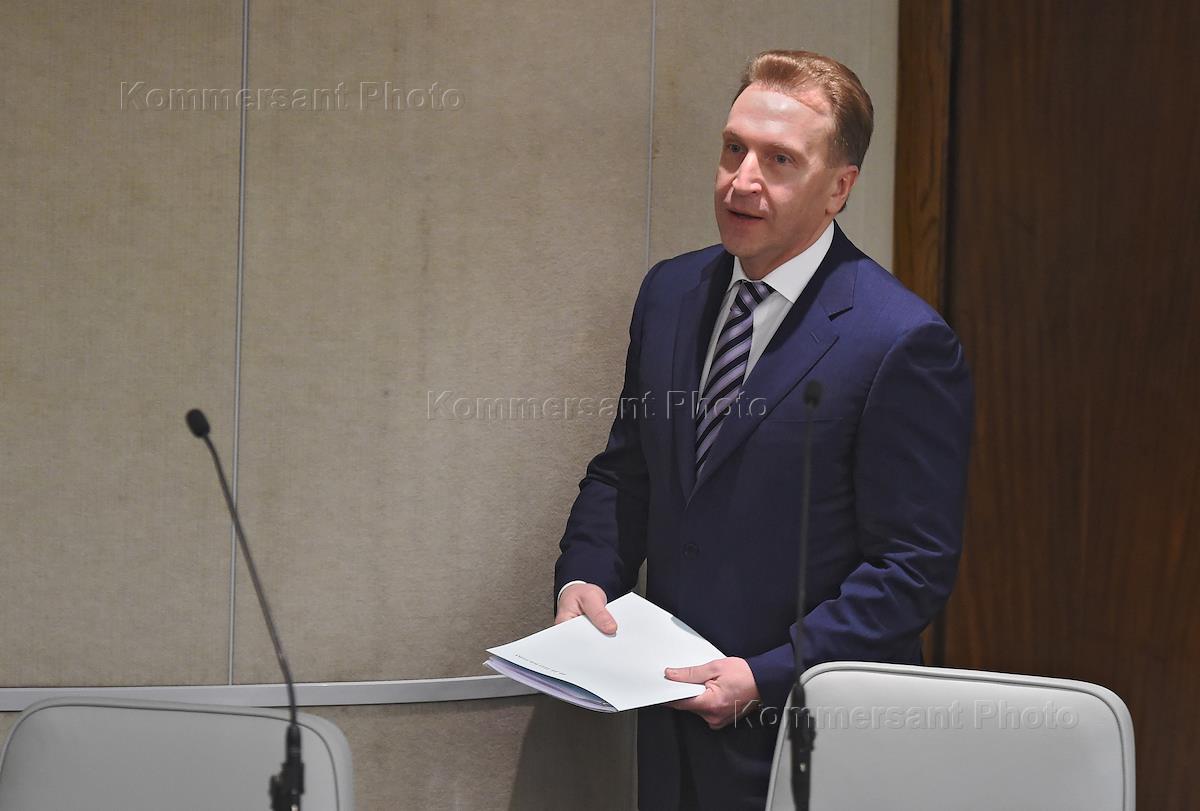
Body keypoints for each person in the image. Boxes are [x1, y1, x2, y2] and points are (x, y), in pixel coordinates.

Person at [552, 49, 973, 810]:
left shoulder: (900, 341)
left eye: (779, 160)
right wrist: (586, 575)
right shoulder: (670, 291)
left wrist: (766, 675)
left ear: (839, 187)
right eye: (732, 149)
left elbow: (911, 568)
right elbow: (628, 469)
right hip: (667, 728)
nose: (741, 180)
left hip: (803, 737)